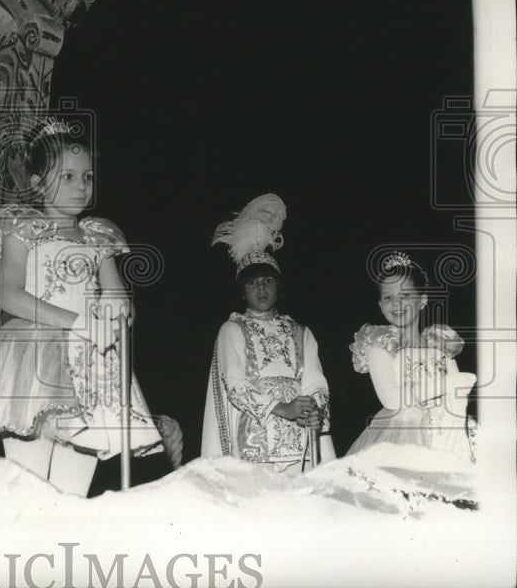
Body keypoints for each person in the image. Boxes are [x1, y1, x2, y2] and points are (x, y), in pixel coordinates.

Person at [0, 120, 162, 497]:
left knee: (72, 494)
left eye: (87, 176)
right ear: (36, 182)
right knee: (27, 486)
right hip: (31, 356)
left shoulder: (98, 236)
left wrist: (119, 312)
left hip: (89, 362)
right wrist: (80, 322)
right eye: (67, 176)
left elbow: (117, 298)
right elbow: (10, 296)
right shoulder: (22, 226)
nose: (81, 186)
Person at [202, 194, 336, 472]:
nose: (261, 288)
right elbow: (236, 386)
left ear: (278, 287)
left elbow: (316, 383)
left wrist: (312, 409)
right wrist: (283, 407)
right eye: (253, 282)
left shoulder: (301, 332)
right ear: (243, 291)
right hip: (255, 438)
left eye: (267, 280)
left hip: (300, 440)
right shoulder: (232, 330)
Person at [347, 251, 476, 461]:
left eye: (405, 295)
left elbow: (459, 391)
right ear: (380, 305)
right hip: (403, 431)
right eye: (388, 297)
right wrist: (447, 384)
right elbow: (391, 399)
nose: (396, 303)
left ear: (422, 300)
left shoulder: (439, 343)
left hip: (446, 427)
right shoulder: (381, 345)